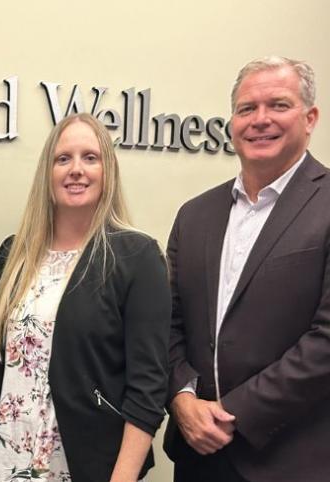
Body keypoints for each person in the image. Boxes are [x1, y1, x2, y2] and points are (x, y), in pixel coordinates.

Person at [0, 113, 170, 482]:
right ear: (46, 173)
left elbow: (148, 388)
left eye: (90, 158)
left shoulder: (135, 256)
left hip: (86, 468)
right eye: (63, 158)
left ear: (107, 171)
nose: (76, 169)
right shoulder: (12, 255)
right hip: (7, 464)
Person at [165, 56, 328, 482]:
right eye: (246, 109)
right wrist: (182, 398)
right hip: (198, 457)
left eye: (278, 105)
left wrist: (232, 413)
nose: (260, 120)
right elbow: (169, 323)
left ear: (310, 118)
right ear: (231, 122)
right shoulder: (194, 216)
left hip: (291, 459)